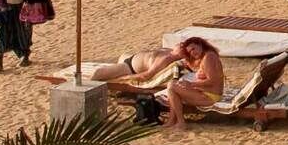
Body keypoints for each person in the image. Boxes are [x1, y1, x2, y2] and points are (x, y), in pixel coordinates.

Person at [89, 32, 227, 124]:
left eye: (186, 49)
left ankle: (176, 122)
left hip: (129, 66)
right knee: (173, 87)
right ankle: (174, 122)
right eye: (184, 47)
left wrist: (124, 78)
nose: (181, 45)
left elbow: (146, 75)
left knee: (99, 74)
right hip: (131, 57)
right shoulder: (180, 55)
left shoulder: (169, 58)